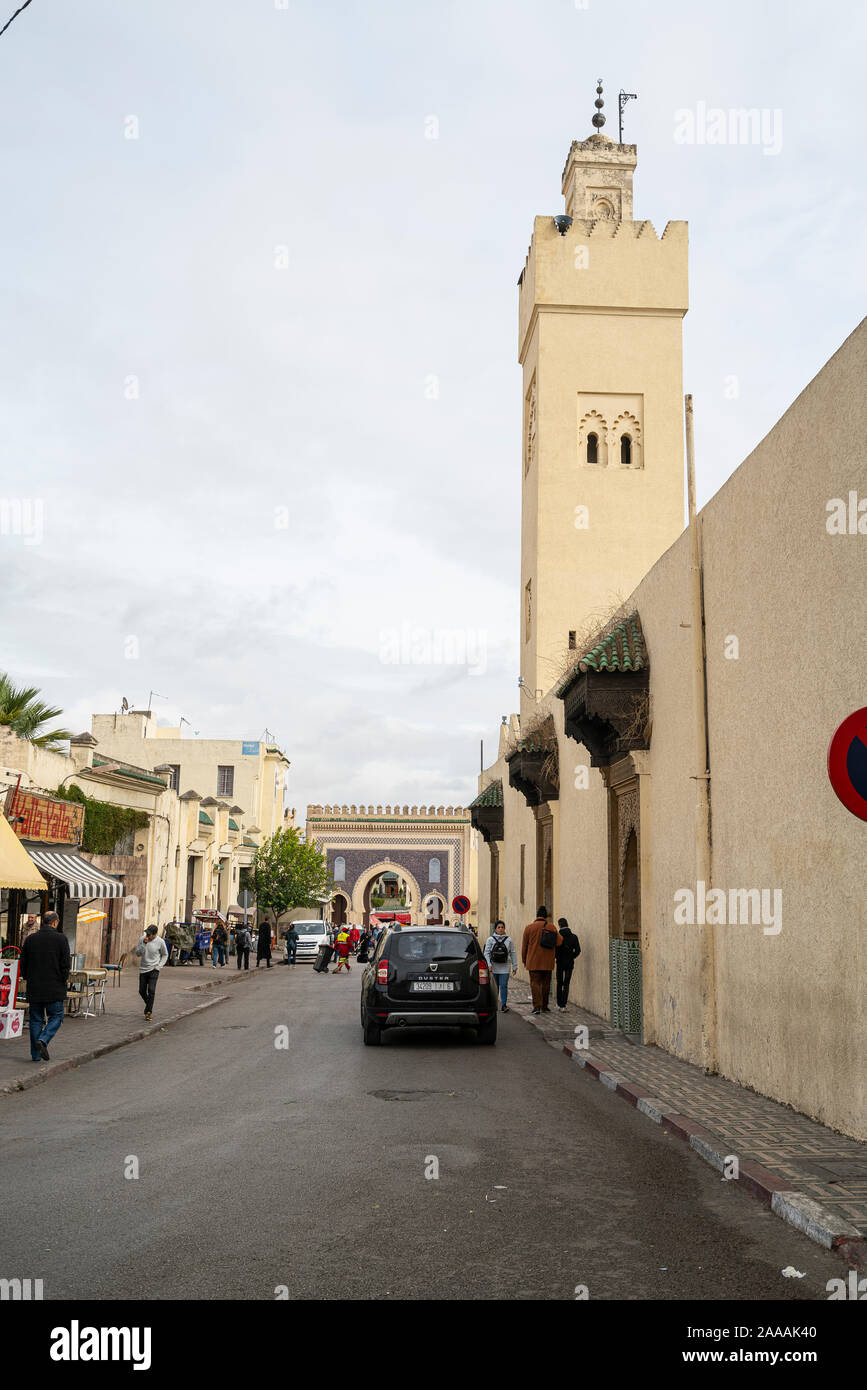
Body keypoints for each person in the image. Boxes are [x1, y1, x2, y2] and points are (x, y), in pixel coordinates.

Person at [20, 910, 70, 1062]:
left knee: (35, 1019)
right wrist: (63, 980)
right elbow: (65, 964)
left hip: (35, 987)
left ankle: (35, 1055)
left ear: (42, 922)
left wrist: (29, 978)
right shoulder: (61, 939)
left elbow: (23, 963)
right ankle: (43, 1039)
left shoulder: (31, 939)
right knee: (57, 1016)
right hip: (54, 987)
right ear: (55, 922)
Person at [521, 906, 562, 1015]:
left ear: (537, 915)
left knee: (535, 984)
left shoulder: (529, 928)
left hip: (533, 961)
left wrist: (524, 959)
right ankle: (544, 1006)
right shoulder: (551, 927)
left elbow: (524, 946)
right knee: (546, 984)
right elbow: (559, 942)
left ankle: (537, 1006)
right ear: (546, 916)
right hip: (548, 962)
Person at [135, 924, 169, 1020]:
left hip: (154, 969)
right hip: (143, 969)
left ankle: (148, 1012)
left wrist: (159, 966)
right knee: (141, 991)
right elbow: (138, 954)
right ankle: (149, 1006)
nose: (147, 936)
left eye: (149, 935)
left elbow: (165, 955)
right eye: (146, 933)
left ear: (154, 935)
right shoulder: (142, 939)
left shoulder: (160, 942)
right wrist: (144, 944)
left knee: (151, 990)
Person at [483, 919, 517, 1012]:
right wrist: (489, 965)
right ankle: (494, 1005)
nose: (501, 929)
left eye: (502, 927)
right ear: (495, 929)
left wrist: (515, 966)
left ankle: (504, 1005)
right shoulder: (490, 939)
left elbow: (513, 953)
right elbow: (486, 953)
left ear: (504, 928)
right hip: (493, 967)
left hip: (505, 967)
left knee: (504, 986)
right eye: (499, 927)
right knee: (495, 987)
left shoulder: (509, 940)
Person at [555, 917, 581, 1010]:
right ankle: (563, 1005)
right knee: (566, 983)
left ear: (559, 925)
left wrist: (557, 957)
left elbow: (555, 950)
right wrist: (572, 956)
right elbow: (578, 950)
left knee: (559, 982)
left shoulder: (557, 936)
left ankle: (558, 1003)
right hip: (569, 963)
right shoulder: (574, 937)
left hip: (560, 963)